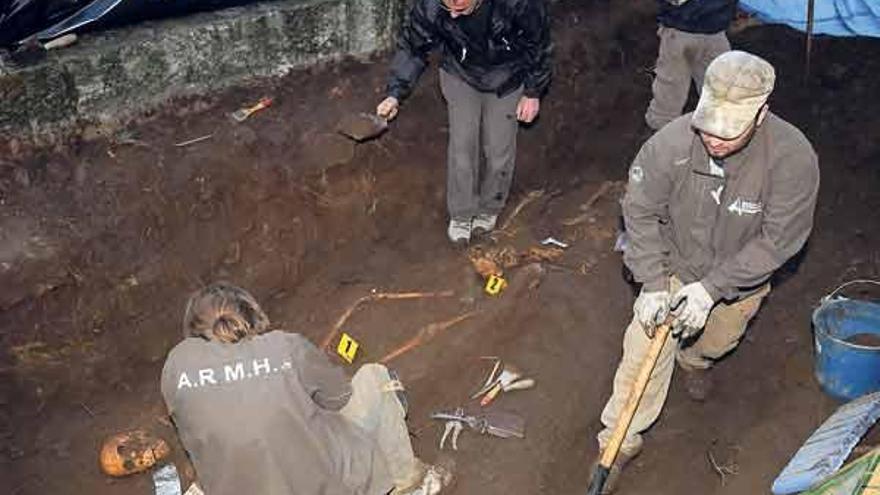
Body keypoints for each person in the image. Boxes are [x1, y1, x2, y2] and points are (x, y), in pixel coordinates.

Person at [593, 51, 819, 493]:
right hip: (675, 261)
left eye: (728, 130)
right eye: (708, 124)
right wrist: (654, 284)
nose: (714, 138)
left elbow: (780, 241)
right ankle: (617, 443)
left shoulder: (792, 158)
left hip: (736, 279)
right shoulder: (671, 144)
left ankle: (694, 360)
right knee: (643, 345)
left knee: (715, 341)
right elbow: (638, 211)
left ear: (761, 112)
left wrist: (712, 289)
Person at [161, 282, 452, 495]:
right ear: (247, 312)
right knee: (375, 378)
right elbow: (339, 398)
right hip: (322, 484)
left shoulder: (175, 366)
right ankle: (410, 482)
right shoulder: (285, 346)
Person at [376, 0, 552, 244]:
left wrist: (533, 92)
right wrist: (395, 93)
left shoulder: (517, 4)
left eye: (461, 7)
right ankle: (461, 213)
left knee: (498, 148)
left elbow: (539, 44)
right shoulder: (432, 5)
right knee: (462, 146)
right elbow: (413, 47)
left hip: (507, 76)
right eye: (449, 7)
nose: (455, 16)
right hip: (459, 73)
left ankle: (490, 207)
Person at [644, 0, 736, 132]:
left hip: (686, 30)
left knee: (672, 82)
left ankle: (661, 123)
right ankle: (720, 122)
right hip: (707, 30)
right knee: (717, 80)